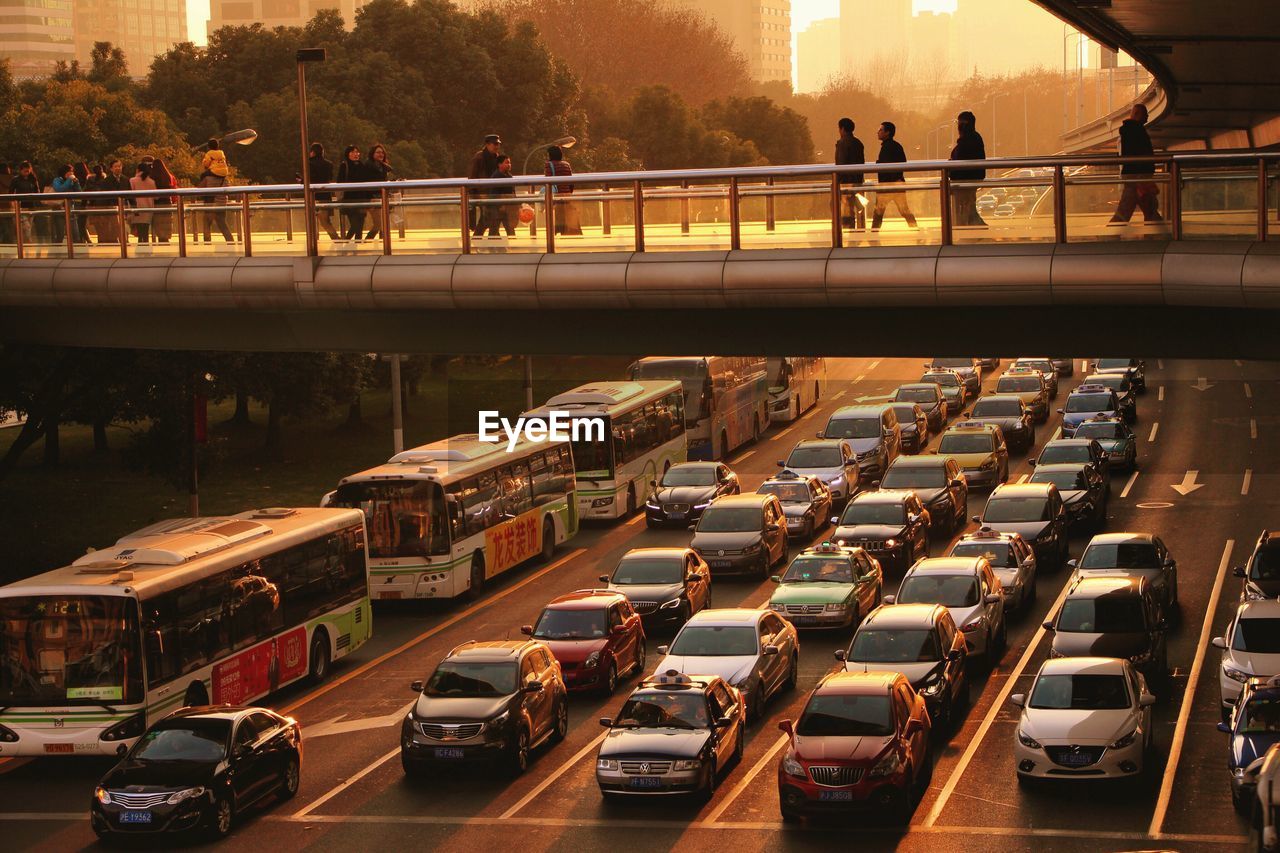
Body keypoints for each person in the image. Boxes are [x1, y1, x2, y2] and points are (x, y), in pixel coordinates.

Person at [1109, 103, 1163, 225]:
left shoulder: (1129, 131)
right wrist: (1141, 176)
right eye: (1145, 114)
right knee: (1144, 209)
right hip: (1138, 177)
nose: (1148, 116)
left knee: (1142, 209)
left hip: (1135, 177)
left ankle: (1111, 232)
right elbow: (1138, 154)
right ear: (1137, 114)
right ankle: (1158, 233)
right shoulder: (1135, 131)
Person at [871, 121, 918, 231]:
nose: (878, 132)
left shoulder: (887, 147)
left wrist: (879, 164)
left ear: (887, 133)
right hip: (897, 184)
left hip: (887, 185)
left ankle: (873, 234)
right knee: (904, 210)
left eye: (881, 130)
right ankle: (915, 229)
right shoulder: (896, 146)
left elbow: (886, 165)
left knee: (878, 213)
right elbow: (902, 163)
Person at [950, 110, 987, 227]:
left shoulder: (967, 140)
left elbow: (962, 159)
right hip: (971, 179)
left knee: (966, 207)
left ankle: (974, 230)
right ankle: (976, 229)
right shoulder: (975, 137)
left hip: (964, 180)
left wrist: (952, 167)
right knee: (969, 206)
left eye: (959, 122)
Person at [835, 117, 866, 230]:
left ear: (842, 129)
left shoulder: (842, 143)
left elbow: (841, 164)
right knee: (851, 207)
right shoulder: (858, 143)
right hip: (856, 180)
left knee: (841, 207)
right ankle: (853, 229)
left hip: (845, 182)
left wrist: (839, 181)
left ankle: (847, 229)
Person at [337, 144, 373, 241]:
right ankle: (346, 242)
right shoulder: (344, 165)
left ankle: (356, 243)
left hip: (361, 198)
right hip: (349, 199)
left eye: (357, 152)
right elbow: (339, 181)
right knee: (355, 224)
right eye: (353, 152)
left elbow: (366, 182)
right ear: (348, 154)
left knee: (360, 224)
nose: (356, 154)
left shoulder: (361, 165)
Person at [544, 145, 582, 236]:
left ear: (550, 155)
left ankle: (554, 237)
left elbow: (547, 180)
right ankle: (568, 235)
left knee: (557, 219)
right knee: (568, 218)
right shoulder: (566, 164)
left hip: (556, 196)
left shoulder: (548, 165)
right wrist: (568, 193)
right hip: (567, 195)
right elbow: (571, 182)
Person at [468, 133, 502, 230]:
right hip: (482, 192)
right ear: (487, 144)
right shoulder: (479, 157)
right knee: (489, 217)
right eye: (494, 144)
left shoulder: (496, 157)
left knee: (488, 217)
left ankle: (489, 238)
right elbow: (472, 175)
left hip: (492, 193)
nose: (497, 146)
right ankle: (493, 238)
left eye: (498, 144)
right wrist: (473, 193)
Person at [477, 154, 516, 237]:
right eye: (507, 163)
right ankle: (491, 246)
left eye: (509, 163)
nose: (509, 165)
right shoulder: (496, 177)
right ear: (499, 164)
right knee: (495, 228)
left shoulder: (509, 176)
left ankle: (510, 246)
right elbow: (493, 194)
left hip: (506, 208)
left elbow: (512, 193)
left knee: (509, 229)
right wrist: (500, 205)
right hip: (497, 209)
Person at [307, 142, 339, 240]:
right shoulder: (328, 164)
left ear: (312, 152)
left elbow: (309, 179)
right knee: (326, 221)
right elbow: (330, 177)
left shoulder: (309, 163)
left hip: (313, 196)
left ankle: (314, 241)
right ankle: (336, 239)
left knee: (312, 221)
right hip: (325, 195)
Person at [94, 159, 129, 244]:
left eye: (119, 166)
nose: (118, 168)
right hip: (111, 208)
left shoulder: (126, 179)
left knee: (124, 226)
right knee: (115, 227)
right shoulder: (106, 181)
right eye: (115, 166)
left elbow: (130, 195)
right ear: (111, 169)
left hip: (123, 208)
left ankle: (124, 242)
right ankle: (118, 241)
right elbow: (103, 197)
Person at [363, 143, 393, 240]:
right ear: (372, 154)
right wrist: (369, 199)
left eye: (382, 153)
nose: (381, 154)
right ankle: (366, 242)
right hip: (372, 199)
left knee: (383, 223)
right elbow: (366, 183)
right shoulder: (368, 166)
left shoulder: (382, 166)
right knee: (379, 224)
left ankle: (383, 243)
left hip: (381, 198)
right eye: (378, 152)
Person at [50, 164, 83, 244]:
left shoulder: (72, 181)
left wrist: (76, 182)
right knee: (59, 235)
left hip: (70, 210)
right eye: (69, 171)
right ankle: (56, 253)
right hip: (59, 210)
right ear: (64, 172)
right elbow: (60, 190)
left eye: (72, 171)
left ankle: (76, 253)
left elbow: (79, 193)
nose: (71, 173)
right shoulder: (57, 180)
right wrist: (69, 180)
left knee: (75, 234)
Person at [10, 161, 42, 244]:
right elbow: (10, 192)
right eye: (25, 171)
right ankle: (28, 243)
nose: (27, 173)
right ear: (21, 170)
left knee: (29, 227)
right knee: (26, 226)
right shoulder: (16, 180)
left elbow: (37, 192)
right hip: (21, 206)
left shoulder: (33, 179)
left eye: (28, 171)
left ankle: (25, 243)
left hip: (31, 206)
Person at [128, 161, 156, 243]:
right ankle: (146, 244)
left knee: (139, 230)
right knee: (146, 230)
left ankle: (140, 245)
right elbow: (156, 196)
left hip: (137, 208)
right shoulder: (151, 181)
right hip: (149, 209)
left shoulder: (132, 180)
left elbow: (131, 194)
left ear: (137, 170)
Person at [150, 158, 177, 243]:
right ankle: (165, 239)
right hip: (167, 202)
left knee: (159, 223)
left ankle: (161, 239)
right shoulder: (168, 176)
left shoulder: (152, 176)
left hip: (157, 203)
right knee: (167, 223)